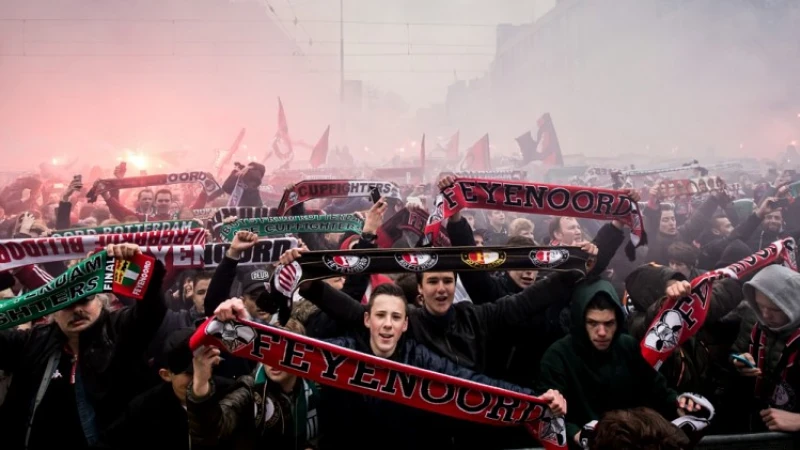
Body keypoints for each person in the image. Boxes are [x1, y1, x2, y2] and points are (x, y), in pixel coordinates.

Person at [208, 284, 567, 450]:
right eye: (380, 315)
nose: (387, 324)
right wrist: (238, 321)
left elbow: (471, 383)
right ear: (367, 320)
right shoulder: (343, 352)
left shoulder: (419, 358)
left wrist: (535, 401)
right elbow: (289, 350)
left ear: (405, 324)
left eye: (395, 317)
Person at [0, 243, 167, 450]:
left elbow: (152, 310)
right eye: (65, 304)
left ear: (100, 300)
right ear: (52, 312)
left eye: (84, 300)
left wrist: (138, 266)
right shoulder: (34, 340)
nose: (76, 309)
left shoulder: (119, 329)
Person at [538, 279, 703, 447]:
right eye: (593, 323)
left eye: (609, 323)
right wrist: (576, 433)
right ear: (580, 322)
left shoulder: (628, 346)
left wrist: (679, 403)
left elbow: (655, 386)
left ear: (618, 321)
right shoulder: (557, 356)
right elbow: (548, 413)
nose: (602, 332)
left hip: (630, 441)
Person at [187, 319, 320, 450]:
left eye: (284, 354)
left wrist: (312, 445)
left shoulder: (315, 390)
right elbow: (213, 431)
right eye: (269, 351)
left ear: (300, 358)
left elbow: (329, 432)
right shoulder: (250, 389)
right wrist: (200, 384)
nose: (274, 361)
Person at [102, 328, 234, 450]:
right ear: (166, 375)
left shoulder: (229, 392)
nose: (198, 378)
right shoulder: (144, 408)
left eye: (203, 369)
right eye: (189, 372)